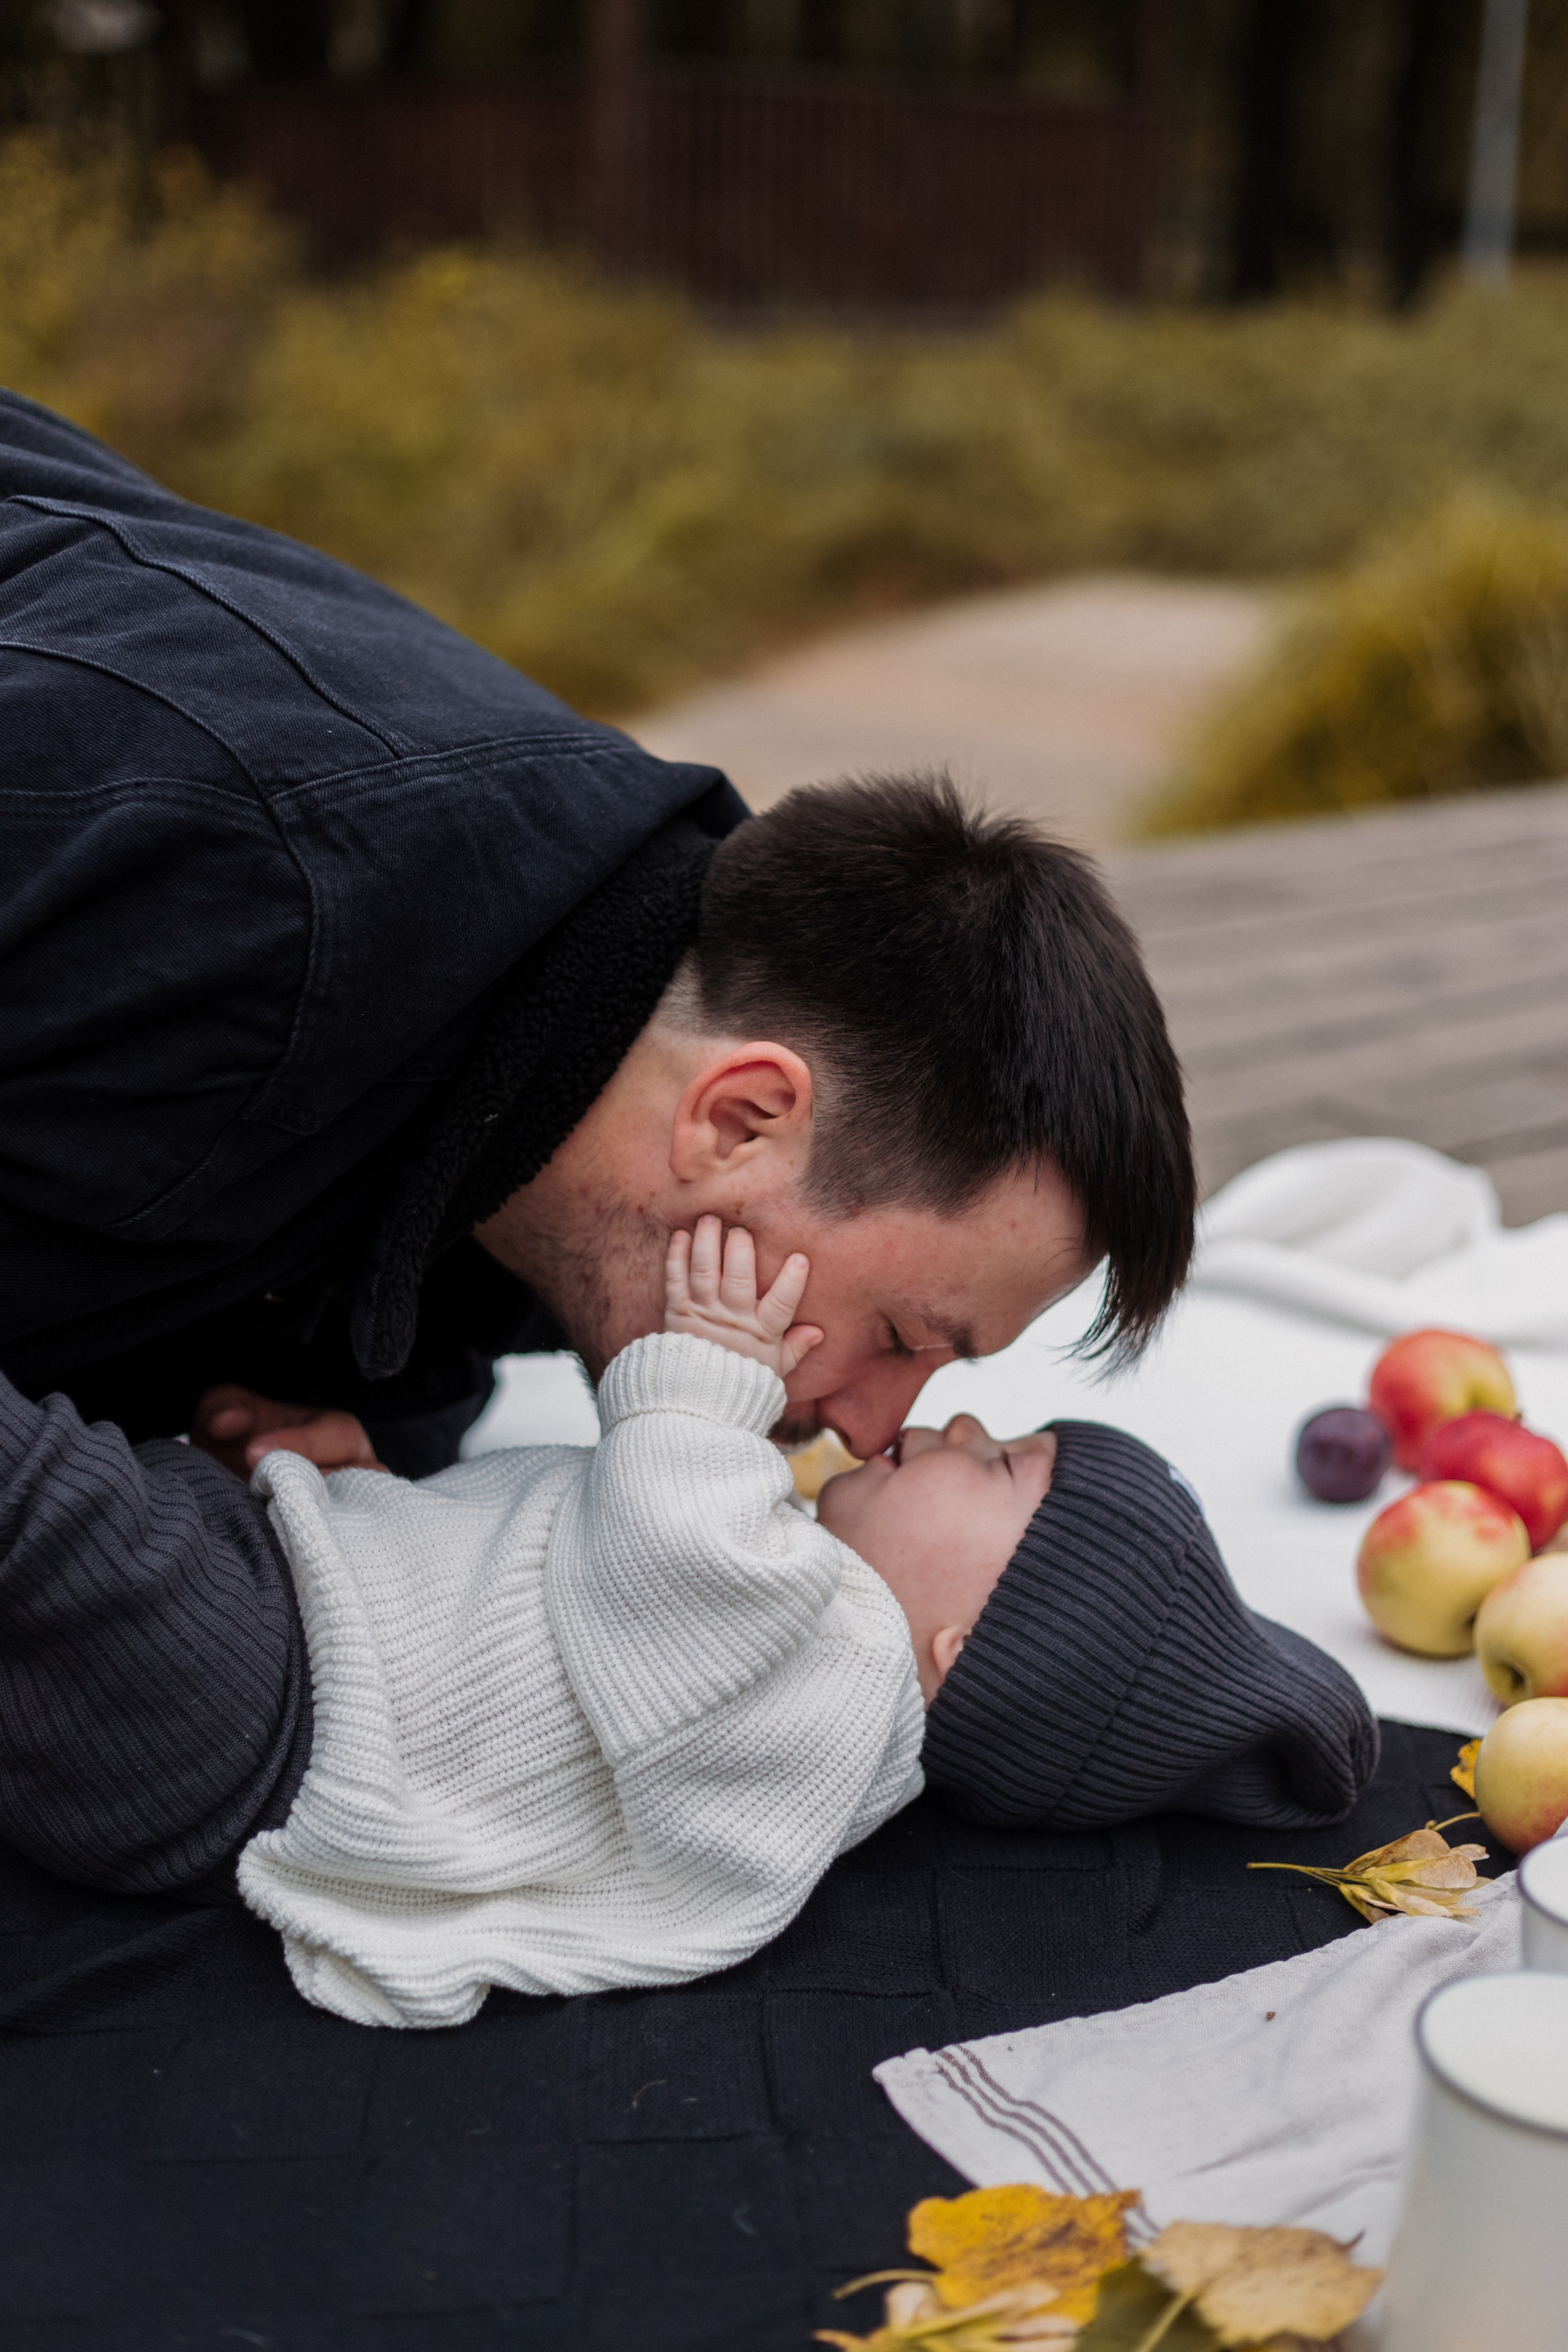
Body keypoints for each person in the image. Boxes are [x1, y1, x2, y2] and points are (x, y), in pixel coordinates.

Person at [0, 390, 1196, 1899]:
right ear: (742, 1118)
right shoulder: (232, 885)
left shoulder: (554, 1138)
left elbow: (377, 1366)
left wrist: (346, 1505)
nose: (887, 1423)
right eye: (904, 1332)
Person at [204, 1220, 1373, 2029]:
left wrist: (714, 1380)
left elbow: (661, 1571)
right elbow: (547, 1586)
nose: (959, 1425)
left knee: (58, 1523)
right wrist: (368, 1495)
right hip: (317, 1622)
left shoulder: (842, 1688)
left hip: (274, 1705)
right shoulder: (812, 1619)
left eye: (1006, 1465)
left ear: (965, 1652)